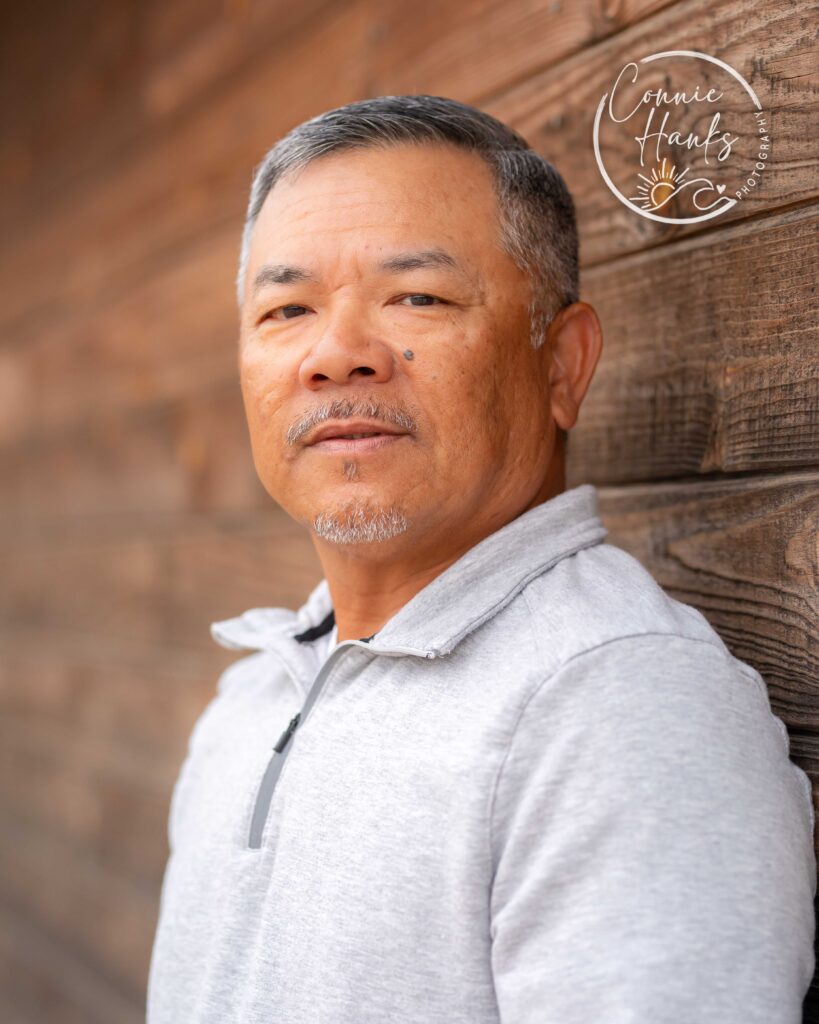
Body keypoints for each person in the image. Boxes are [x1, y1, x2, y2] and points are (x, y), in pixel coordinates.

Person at [146, 95, 816, 1023]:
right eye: (287, 308)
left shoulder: (616, 704)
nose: (336, 354)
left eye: (417, 296)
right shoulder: (254, 693)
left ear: (561, 366)